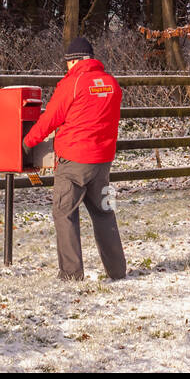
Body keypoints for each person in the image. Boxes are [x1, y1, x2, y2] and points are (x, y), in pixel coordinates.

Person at [23, 37, 127, 281]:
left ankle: (71, 274)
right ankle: (117, 271)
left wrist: (27, 143)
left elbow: (50, 119)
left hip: (74, 161)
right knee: (104, 213)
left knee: (64, 213)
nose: (66, 67)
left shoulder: (73, 83)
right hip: (102, 161)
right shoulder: (111, 83)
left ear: (75, 61)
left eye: (68, 63)